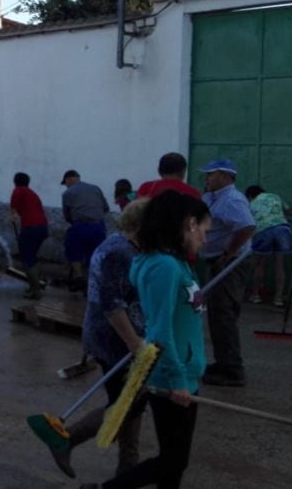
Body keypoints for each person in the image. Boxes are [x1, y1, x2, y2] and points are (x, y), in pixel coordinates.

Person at [86, 191, 211, 489]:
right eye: (206, 230)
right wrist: (177, 379)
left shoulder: (176, 263)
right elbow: (159, 330)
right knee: (173, 460)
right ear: (190, 224)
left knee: (174, 462)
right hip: (171, 378)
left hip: (185, 373)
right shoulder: (163, 267)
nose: (206, 238)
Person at [42, 198, 149, 479]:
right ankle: (68, 439)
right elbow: (113, 305)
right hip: (115, 340)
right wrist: (135, 344)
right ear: (139, 225)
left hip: (118, 337)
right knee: (128, 404)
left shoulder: (125, 245)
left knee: (130, 402)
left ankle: (127, 468)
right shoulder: (119, 252)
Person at [198, 159, 255, 387]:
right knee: (217, 313)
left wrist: (229, 253)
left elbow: (247, 226)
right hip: (217, 260)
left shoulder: (232, 199)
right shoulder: (212, 198)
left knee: (224, 313)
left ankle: (231, 369)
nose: (207, 179)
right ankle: (223, 361)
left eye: (210, 175)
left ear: (224, 176)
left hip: (230, 263)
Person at [244, 185, 292, 305]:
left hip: (263, 230)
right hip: (283, 229)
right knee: (280, 264)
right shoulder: (275, 197)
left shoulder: (250, 204)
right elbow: (290, 211)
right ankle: (278, 298)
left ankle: (255, 295)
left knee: (260, 264)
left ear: (250, 196)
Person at [61, 170, 110, 288]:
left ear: (68, 180)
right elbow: (106, 208)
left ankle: (78, 277)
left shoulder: (67, 193)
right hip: (98, 227)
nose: (66, 185)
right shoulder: (96, 188)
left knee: (73, 250)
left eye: (65, 183)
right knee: (94, 255)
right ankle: (93, 282)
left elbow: (67, 215)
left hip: (80, 226)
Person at [10, 172, 49, 299]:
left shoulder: (17, 191)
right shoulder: (32, 193)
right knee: (31, 257)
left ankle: (36, 291)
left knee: (27, 258)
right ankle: (33, 286)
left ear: (15, 181)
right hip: (42, 228)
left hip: (31, 228)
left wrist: (12, 219)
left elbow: (13, 213)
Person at [136, 152, 202, 199]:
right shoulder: (193, 193)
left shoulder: (146, 188)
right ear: (183, 171)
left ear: (159, 171)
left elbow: (134, 213)